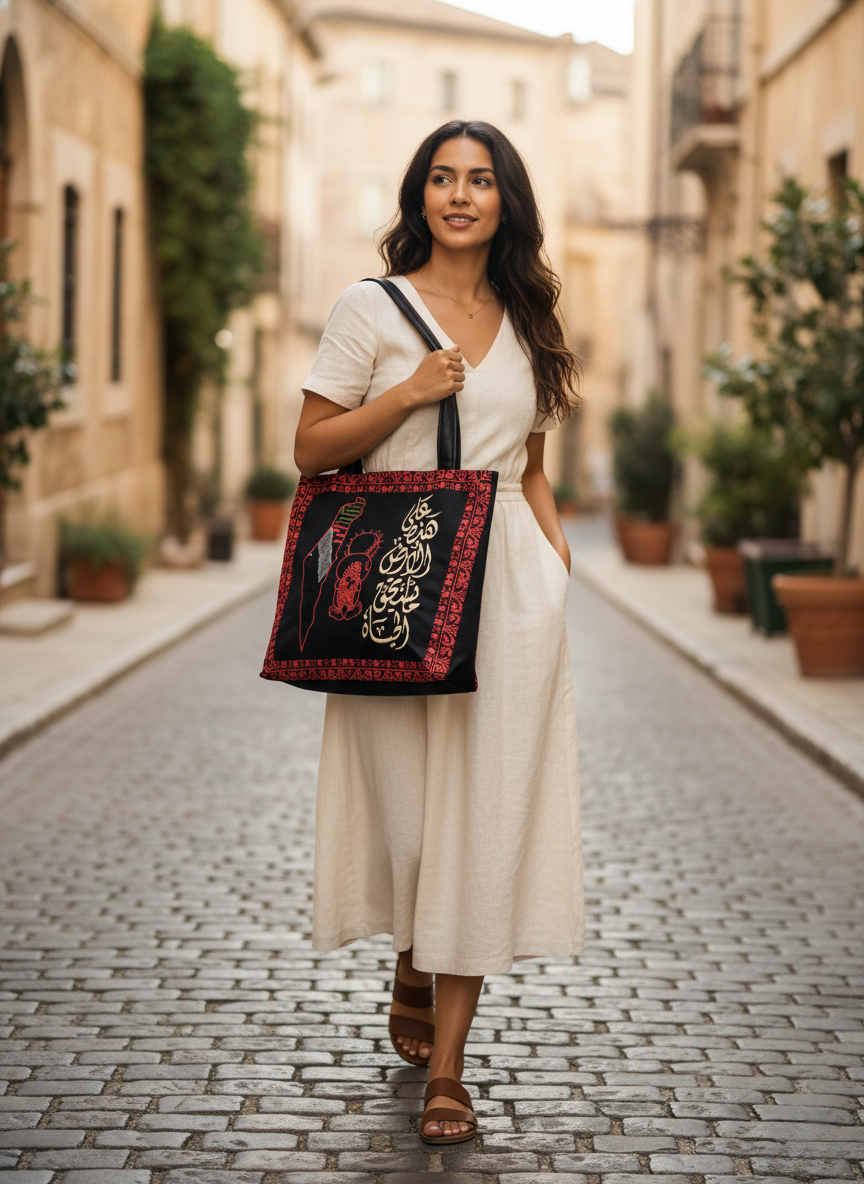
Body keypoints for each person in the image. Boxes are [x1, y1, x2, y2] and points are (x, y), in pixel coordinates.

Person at [294, 119, 584, 1146]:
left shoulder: (532, 319)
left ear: (508, 200)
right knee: (414, 828)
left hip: (509, 588)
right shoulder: (368, 309)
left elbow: (533, 468)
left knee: (482, 821)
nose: (461, 195)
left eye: (482, 179)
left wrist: (556, 567)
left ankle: (450, 1070)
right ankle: (414, 952)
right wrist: (410, 392)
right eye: (443, 178)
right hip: (396, 573)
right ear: (421, 194)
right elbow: (311, 448)